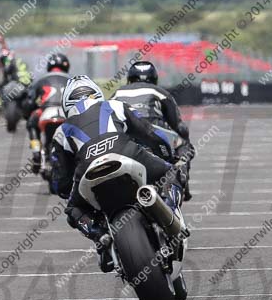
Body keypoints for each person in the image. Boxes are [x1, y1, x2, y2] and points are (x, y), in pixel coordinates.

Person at [51, 76, 184, 270]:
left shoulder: (61, 131)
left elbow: (59, 183)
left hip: (88, 171)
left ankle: (100, 237)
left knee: (73, 210)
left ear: (66, 105)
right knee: (171, 172)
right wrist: (167, 153)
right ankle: (170, 211)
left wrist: (68, 192)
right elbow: (151, 134)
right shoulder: (115, 106)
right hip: (127, 153)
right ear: (96, 93)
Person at [111, 60, 194, 200]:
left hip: (123, 135)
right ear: (154, 78)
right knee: (185, 146)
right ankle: (181, 185)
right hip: (154, 133)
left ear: (130, 78)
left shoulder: (117, 93)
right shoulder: (160, 92)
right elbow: (179, 126)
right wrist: (184, 137)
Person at [25, 53, 70, 171]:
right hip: (66, 115)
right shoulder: (71, 80)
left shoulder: (41, 80)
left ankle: (36, 153)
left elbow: (30, 102)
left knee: (31, 124)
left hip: (46, 113)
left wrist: (31, 112)